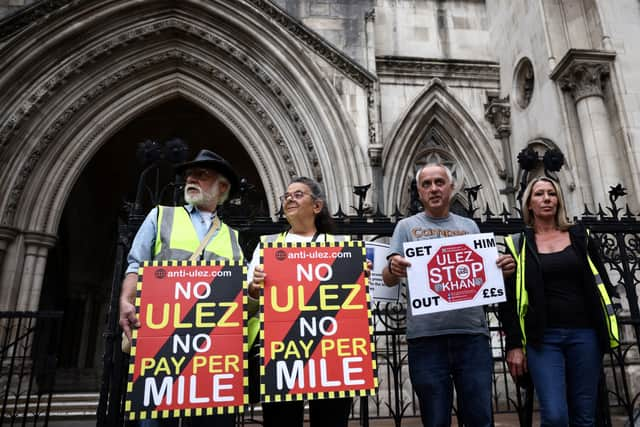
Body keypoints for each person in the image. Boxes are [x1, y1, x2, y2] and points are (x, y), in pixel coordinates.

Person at [382, 163, 515, 427]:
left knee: (479, 418)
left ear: (452, 188)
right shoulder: (406, 227)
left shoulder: (470, 226)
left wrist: (504, 269)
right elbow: (388, 279)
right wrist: (393, 267)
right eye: (427, 184)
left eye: (439, 182)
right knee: (435, 420)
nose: (433, 189)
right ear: (419, 192)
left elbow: (485, 274)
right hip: (426, 339)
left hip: (471, 336)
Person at [119, 149, 244, 427]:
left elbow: (239, 297)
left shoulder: (232, 238)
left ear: (222, 187)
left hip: (209, 355)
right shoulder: (161, 216)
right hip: (161, 349)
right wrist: (126, 301)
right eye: (190, 174)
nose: (191, 178)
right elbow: (135, 265)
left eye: (201, 174)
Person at [500, 176, 619, 426]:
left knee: (584, 416)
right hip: (543, 339)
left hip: (585, 334)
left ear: (559, 201)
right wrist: (513, 344)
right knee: (554, 415)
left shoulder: (580, 237)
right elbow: (509, 301)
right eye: (539, 194)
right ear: (529, 204)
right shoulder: (518, 244)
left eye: (551, 194)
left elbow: (602, 284)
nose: (546, 199)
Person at [247, 176, 353, 427]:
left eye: (297, 194)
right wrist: (253, 289)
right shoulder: (267, 247)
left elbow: (355, 305)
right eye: (286, 196)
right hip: (281, 353)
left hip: (330, 354)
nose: (289, 200)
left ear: (317, 206)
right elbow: (246, 304)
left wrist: (360, 277)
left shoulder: (340, 247)